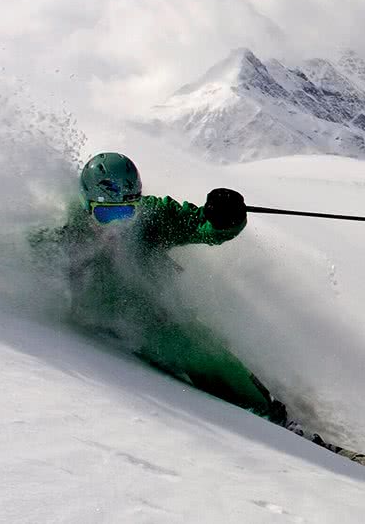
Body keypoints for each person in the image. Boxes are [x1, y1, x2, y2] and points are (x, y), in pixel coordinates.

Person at [31, 152, 286, 423]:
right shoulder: (65, 233)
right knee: (194, 352)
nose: (118, 225)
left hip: (156, 316)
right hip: (100, 325)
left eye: (126, 211)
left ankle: (270, 416)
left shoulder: (152, 219)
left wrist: (223, 219)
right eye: (108, 213)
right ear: (86, 204)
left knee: (205, 352)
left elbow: (199, 225)